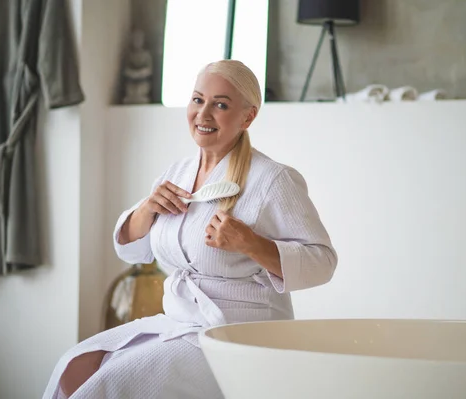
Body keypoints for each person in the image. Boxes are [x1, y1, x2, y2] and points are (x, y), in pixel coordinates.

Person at [43, 59, 337, 399]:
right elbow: (135, 250)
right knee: (73, 367)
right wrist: (147, 208)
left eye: (221, 104)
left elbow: (322, 262)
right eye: (198, 100)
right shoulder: (179, 173)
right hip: (180, 321)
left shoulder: (273, 180)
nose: (204, 114)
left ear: (248, 117)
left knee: (111, 382)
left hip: (240, 334)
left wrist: (250, 243)